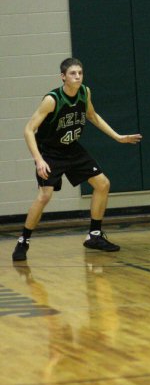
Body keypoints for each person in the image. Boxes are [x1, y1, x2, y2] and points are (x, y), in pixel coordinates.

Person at [12, 58, 142, 262]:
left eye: (80, 73)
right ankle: (23, 240)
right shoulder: (52, 99)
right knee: (44, 196)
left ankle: (94, 235)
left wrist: (118, 137)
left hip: (72, 149)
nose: (78, 76)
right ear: (63, 76)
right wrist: (39, 160)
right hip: (50, 153)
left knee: (103, 184)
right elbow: (29, 130)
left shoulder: (85, 92)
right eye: (73, 73)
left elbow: (92, 116)